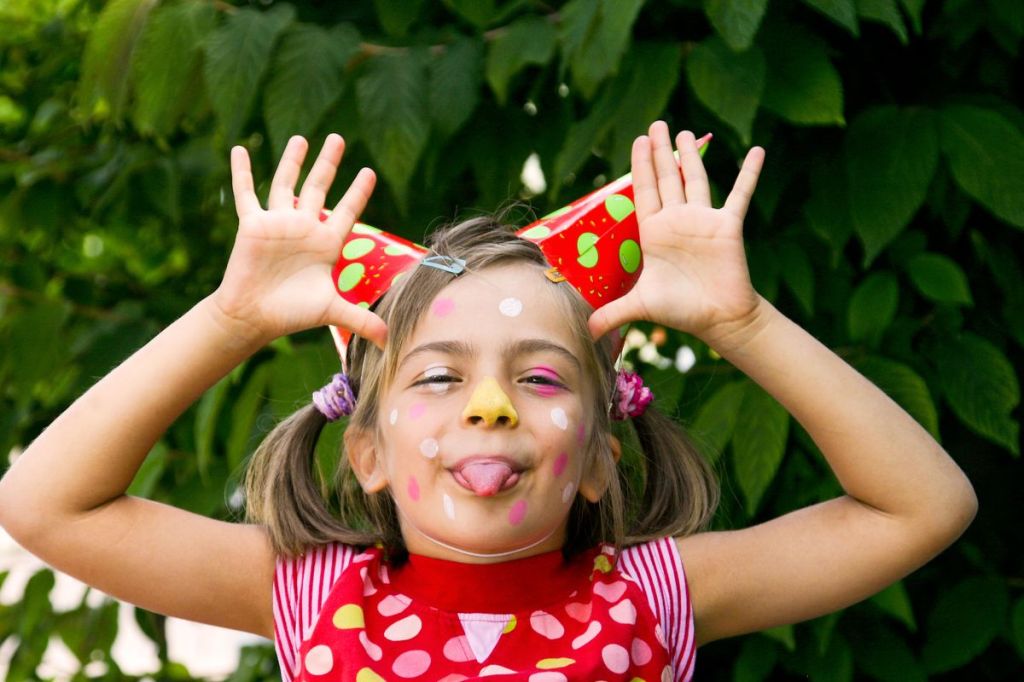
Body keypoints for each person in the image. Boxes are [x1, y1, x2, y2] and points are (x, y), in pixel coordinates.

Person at [0, 122, 977, 681]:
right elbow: (43, 503)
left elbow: (923, 507)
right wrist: (230, 317)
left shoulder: (657, 596)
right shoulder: (308, 594)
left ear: (601, 451)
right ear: (367, 449)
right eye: (437, 374)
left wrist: (743, 323)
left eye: (541, 376)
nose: (493, 407)